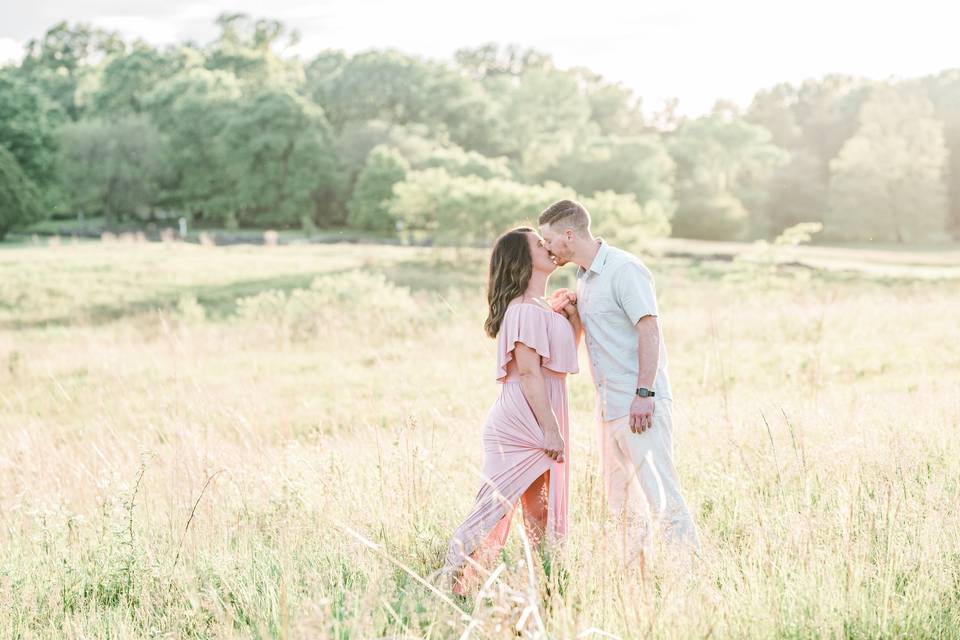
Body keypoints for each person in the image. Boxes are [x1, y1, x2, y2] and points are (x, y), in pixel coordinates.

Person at [538, 199, 702, 570]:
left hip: (639, 405)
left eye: (548, 240)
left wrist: (644, 394)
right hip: (608, 407)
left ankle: (689, 576)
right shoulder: (583, 278)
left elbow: (649, 328)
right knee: (622, 503)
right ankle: (635, 579)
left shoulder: (625, 269)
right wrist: (573, 315)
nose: (546, 248)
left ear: (568, 234)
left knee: (662, 495)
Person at [440, 226, 580, 595]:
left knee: (541, 514)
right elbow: (530, 373)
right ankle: (448, 583)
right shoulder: (521, 311)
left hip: (544, 412)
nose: (548, 247)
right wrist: (550, 430)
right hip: (524, 421)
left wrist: (572, 322)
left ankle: (543, 586)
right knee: (492, 510)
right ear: (522, 260)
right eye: (539, 244)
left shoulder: (540, 309)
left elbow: (557, 366)